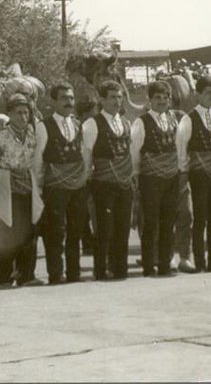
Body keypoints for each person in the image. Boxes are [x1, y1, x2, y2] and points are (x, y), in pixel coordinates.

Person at [0, 94, 43, 287]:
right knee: (6, 233)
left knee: (29, 232)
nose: (23, 117)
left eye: (26, 112)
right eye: (18, 113)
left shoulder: (33, 134)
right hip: (6, 187)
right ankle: (4, 274)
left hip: (27, 187)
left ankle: (26, 274)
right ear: (9, 113)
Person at [33, 82, 88, 285]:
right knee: (55, 231)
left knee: (76, 229)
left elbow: (82, 154)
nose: (68, 102)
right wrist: (38, 187)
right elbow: (37, 160)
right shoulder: (43, 126)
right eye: (64, 98)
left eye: (71, 98)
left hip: (77, 185)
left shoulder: (78, 124)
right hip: (54, 186)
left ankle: (74, 273)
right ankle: (55, 274)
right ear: (53, 101)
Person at [131, 80, 185, 277]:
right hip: (150, 178)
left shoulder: (174, 120)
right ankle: (148, 266)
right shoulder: (141, 122)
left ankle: (164, 264)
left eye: (165, 98)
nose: (162, 101)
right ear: (150, 100)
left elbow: (179, 149)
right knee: (151, 222)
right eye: (157, 97)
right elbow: (134, 152)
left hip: (171, 178)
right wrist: (137, 176)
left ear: (169, 100)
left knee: (168, 222)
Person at [82, 81, 133, 281]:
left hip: (124, 183)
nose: (116, 101)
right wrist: (87, 179)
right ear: (102, 99)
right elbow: (86, 155)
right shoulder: (92, 124)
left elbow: (129, 153)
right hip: (102, 183)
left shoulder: (126, 123)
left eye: (119, 97)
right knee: (104, 228)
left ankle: (120, 269)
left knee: (123, 227)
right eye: (112, 97)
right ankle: (101, 270)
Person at [177, 75, 211, 273]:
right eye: (208, 93)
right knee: (200, 218)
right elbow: (182, 150)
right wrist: (184, 173)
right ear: (198, 95)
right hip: (198, 176)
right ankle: (199, 261)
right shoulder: (188, 119)